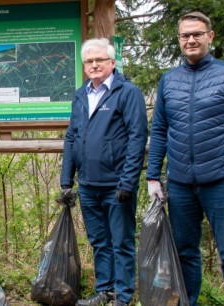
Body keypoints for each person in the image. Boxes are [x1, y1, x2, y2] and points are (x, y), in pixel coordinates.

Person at [146, 11, 224, 306]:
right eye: (185, 35)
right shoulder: (169, 81)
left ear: (210, 36)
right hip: (181, 184)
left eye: (197, 34)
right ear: (179, 40)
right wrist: (152, 176)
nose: (191, 40)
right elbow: (159, 130)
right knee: (184, 252)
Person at [60, 38, 147, 306]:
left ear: (112, 63)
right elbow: (72, 136)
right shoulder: (81, 94)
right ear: (84, 65)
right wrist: (67, 181)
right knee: (99, 241)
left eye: (99, 60)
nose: (94, 65)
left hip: (117, 185)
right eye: (89, 61)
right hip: (87, 185)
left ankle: (123, 297)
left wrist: (128, 182)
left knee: (121, 243)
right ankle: (104, 291)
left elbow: (137, 137)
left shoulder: (127, 92)